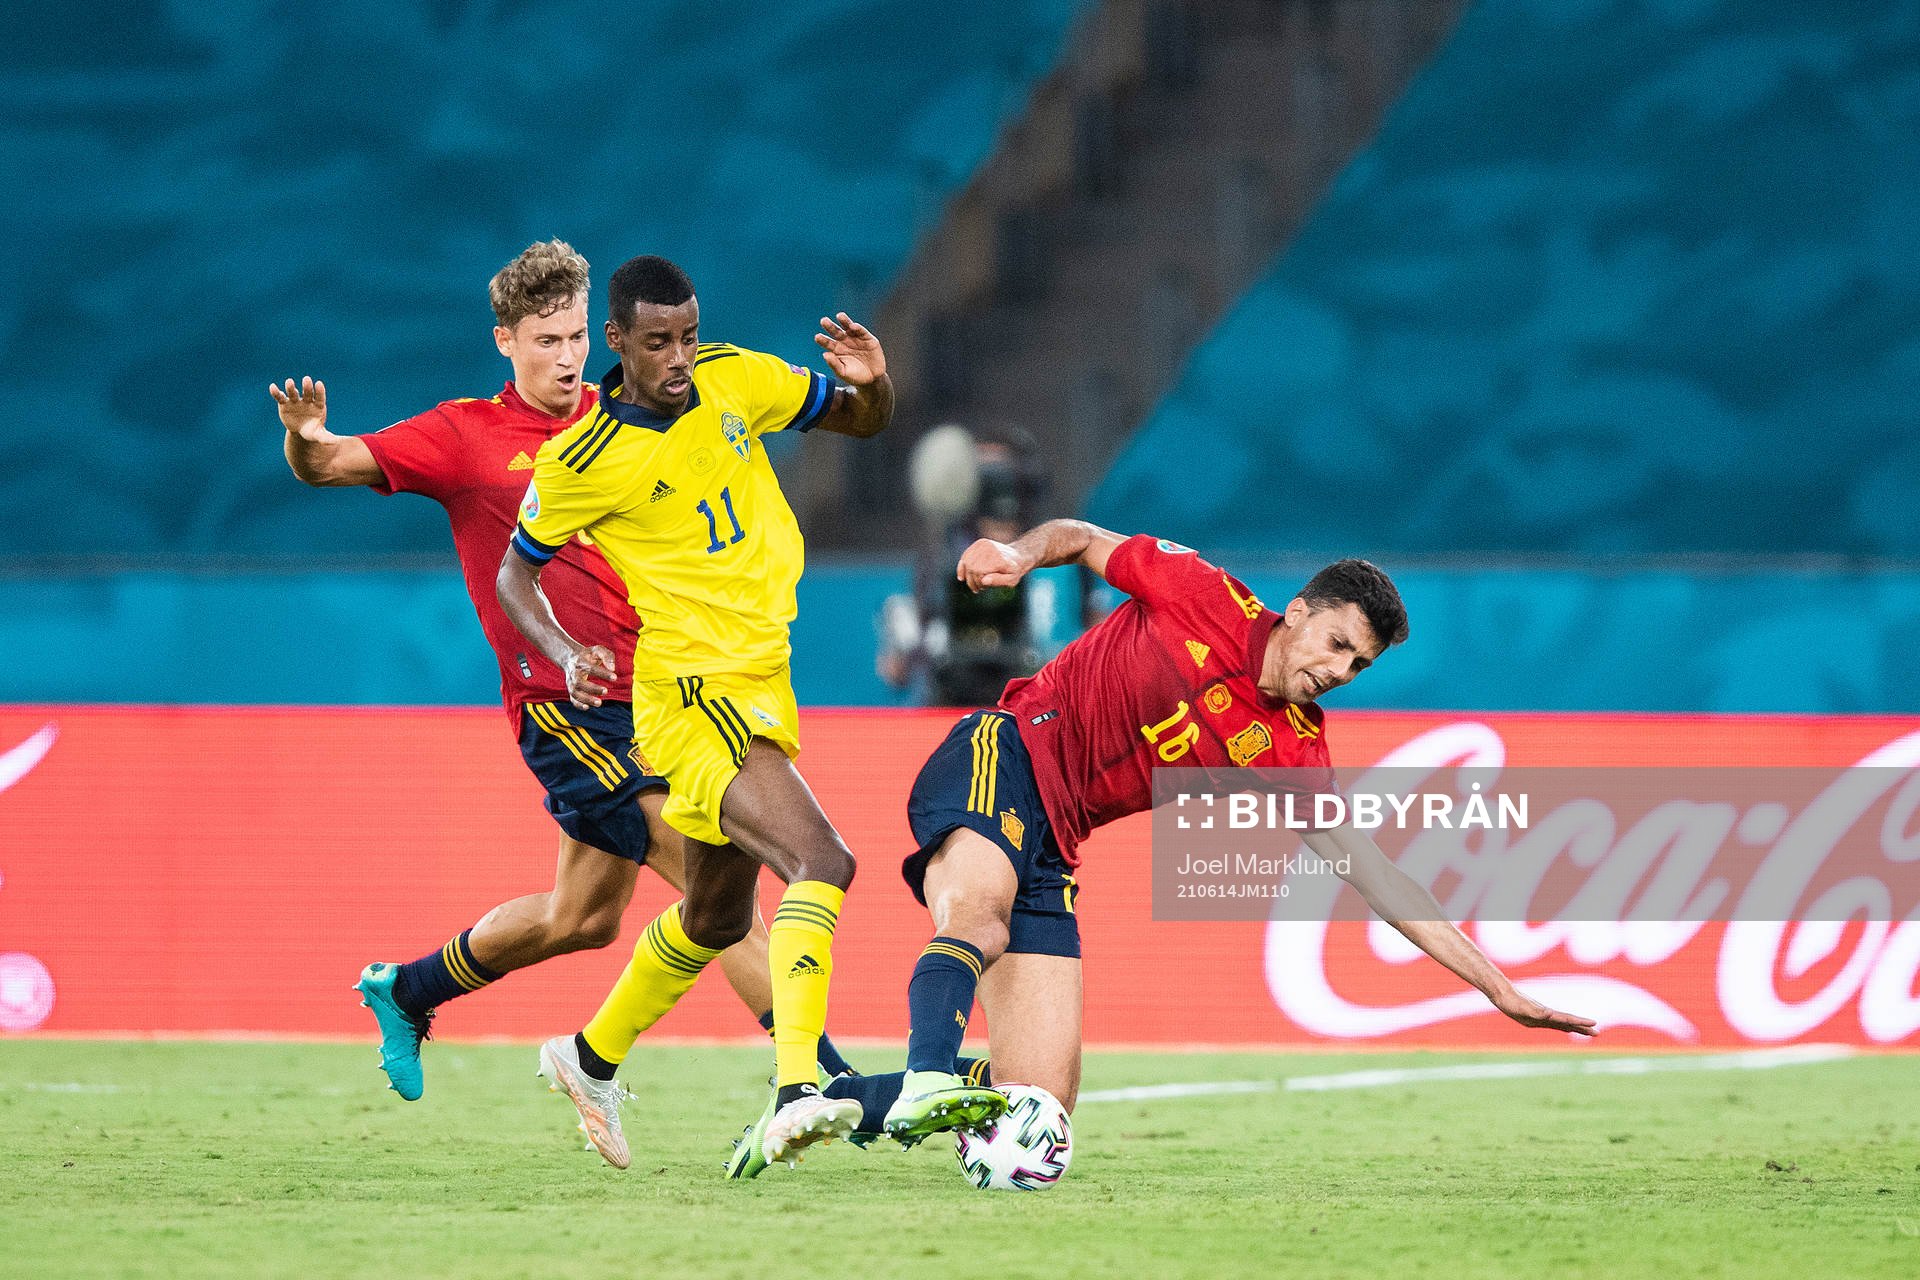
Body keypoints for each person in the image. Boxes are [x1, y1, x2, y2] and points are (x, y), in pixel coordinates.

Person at [269, 241, 855, 1157]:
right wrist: (305, 438)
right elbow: (329, 464)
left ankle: (409, 990)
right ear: (505, 341)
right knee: (714, 886)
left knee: (579, 919)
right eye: (546, 340)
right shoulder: (463, 435)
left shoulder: (626, 419)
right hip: (565, 709)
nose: (567, 356)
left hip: (658, 691)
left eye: (578, 336)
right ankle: (819, 1077)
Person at [803, 519, 1597, 1159]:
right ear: (1299, 612)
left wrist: (1497, 989)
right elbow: (1080, 538)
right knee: (980, 917)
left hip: (1058, 839)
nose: (1341, 670)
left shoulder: (1293, 750)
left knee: (1039, 1102)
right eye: (1337, 644)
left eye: (1359, 665)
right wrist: (1018, 555)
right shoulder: (1200, 592)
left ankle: (827, 1099)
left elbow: (1379, 877)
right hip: (1006, 750)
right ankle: (928, 1076)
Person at [496, 254, 943, 1176]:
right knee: (823, 860)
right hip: (693, 692)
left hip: (762, 674)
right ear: (616, 340)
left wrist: (874, 383)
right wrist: (565, 651)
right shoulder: (582, 459)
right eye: (658, 341)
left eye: (689, 337)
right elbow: (515, 573)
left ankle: (587, 1059)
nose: (679, 358)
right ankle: (798, 1088)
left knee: (710, 915)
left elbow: (862, 419)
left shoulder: (735, 377)